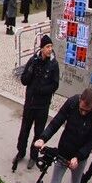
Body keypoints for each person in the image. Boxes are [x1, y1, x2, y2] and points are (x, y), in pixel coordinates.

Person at [34, 88, 92, 183]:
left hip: (79, 157)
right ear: (79, 100)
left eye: (87, 111)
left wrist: (79, 157)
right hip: (64, 150)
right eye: (81, 109)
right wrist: (43, 138)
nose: (83, 113)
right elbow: (56, 121)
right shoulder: (72, 102)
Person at [13, 35, 60, 171]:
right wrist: (30, 71)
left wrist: (42, 90)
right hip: (30, 103)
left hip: (42, 105)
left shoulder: (53, 64)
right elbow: (24, 80)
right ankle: (21, 152)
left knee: (38, 133)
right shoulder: (33, 61)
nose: (50, 49)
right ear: (42, 48)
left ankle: (33, 156)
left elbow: (55, 85)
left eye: (51, 47)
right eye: (47, 47)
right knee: (24, 130)